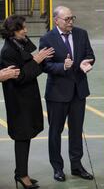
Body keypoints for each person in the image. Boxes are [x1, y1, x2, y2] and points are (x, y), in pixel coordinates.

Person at [39, 6, 95, 182]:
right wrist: (62, 66)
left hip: (78, 92)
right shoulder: (47, 39)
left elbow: (90, 55)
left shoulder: (81, 34)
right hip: (57, 94)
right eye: (67, 19)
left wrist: (86, 63)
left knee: (77, 131)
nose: (71, 22)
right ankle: (57, 168)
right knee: (55, 131)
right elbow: (44, 65)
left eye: (72, 18)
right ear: (56, 20)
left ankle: (77, 166)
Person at [0, 15, 54, 189]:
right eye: (22, 28)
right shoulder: (8, 51)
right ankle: (22, 175)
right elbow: (20, 77)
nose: (26, 30)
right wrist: (37, 60)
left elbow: (29, 50)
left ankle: (22, 172)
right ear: (13, 32)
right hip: (18, 102)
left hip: (27, 99)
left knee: (26, 135)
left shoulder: (17, 44)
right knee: (22, 137)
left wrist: (22, 40)